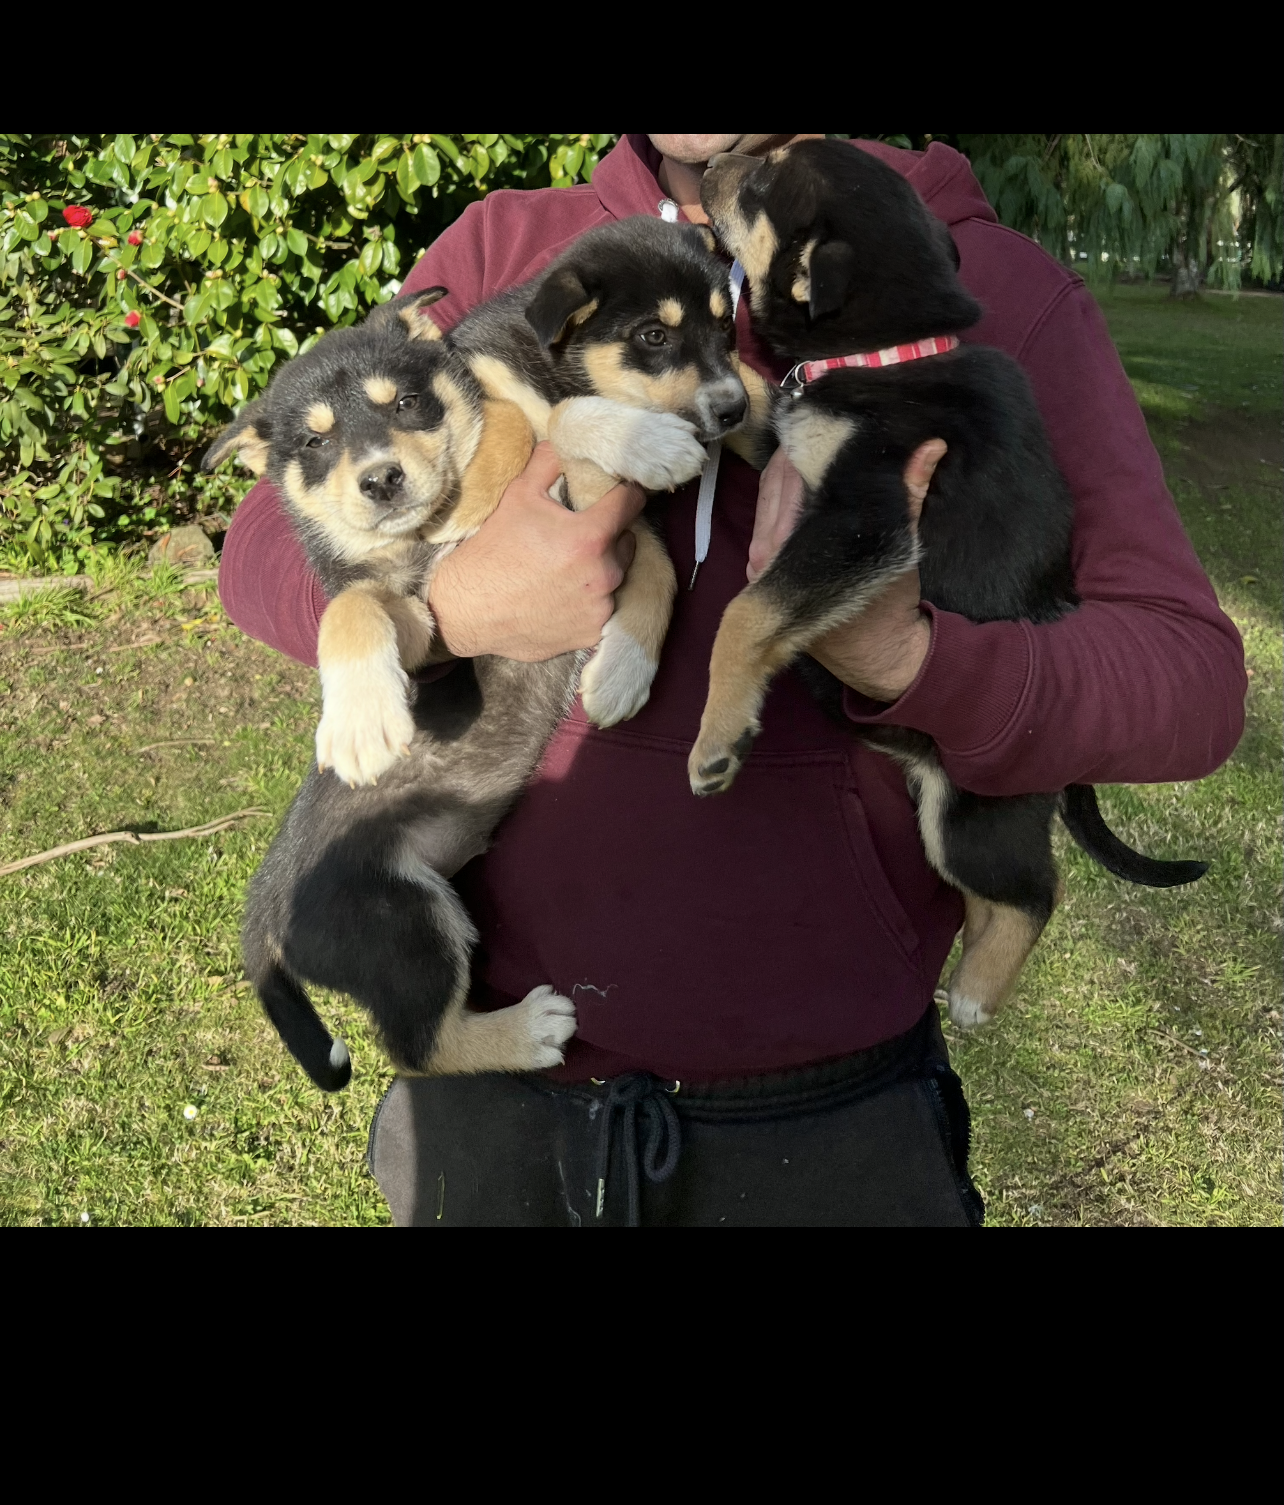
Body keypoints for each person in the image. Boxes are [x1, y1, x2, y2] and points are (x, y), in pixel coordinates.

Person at [219, 134, 1247, 1226]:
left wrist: (911, 661)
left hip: (827, 1120)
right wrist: (453, 610)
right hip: (498, 1112)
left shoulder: (985, 283)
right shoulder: (505, 246)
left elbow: (1190, 682)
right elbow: (261, 545)